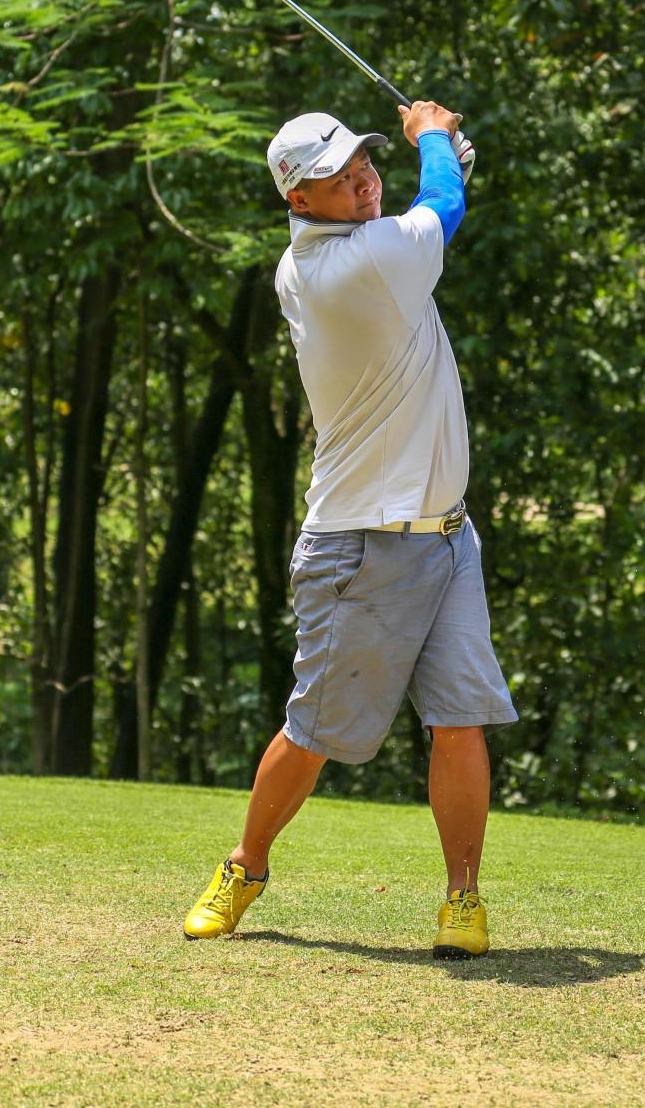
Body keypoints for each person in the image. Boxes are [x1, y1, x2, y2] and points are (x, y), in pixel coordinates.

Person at [182, 100, 518, 958]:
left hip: (447, 536)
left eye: (365, 160)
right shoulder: (347, 267)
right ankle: (244, 865)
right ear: (300, 200)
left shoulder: (368, 248)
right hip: (361, 544)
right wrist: (435, 141)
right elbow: (439, 211)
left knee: (460, 718)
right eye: (338, 177)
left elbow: (427, 215)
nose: (363, 177)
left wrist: (443, 159)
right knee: (316, 733)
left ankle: (462, 899)